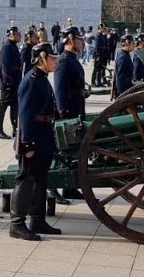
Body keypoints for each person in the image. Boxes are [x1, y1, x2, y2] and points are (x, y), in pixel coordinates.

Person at [9, 43, 62, 241]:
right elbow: (25, 115)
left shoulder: (42, 78)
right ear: (42, 58)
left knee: (40, 180)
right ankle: (17, 224)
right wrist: (28, 144)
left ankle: (37, 220)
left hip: (44, 135)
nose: (55, 62)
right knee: (26, 179)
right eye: (52, 58)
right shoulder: (31, 80)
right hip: (34, 137)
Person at [51, 27, 87, 203]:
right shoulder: (64, 60)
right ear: (71, 40)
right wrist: (63, 113)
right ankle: (52, 188)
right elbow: (60, 89)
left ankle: (70, 188)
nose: (82, 43)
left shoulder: (72, 59)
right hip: (68, 111)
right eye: (79, 40)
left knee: (74, 149)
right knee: (62, 150)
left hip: (76, 107)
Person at [0, 26, 22, 139]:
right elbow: (5, 68)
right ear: (11, 35)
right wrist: (8, 83)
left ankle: (15, 128)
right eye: (17, 34)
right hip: (8, 83)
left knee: (15, 106)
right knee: (3, 106)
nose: (19, 36)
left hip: (15, 82)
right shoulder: (7, 48)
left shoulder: (13, 46)